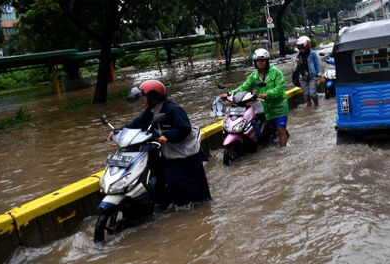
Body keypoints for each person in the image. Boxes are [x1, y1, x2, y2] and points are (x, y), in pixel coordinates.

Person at [119, 79, 211, 208]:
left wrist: (167, 136)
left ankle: (201, 205)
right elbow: (138, 123)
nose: (142, 101)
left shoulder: (173, 109)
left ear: (154, 97)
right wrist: (119, 132)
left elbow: (184, 128)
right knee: (171, 181)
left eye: (144, 97)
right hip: (170, 153)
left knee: (191, 185)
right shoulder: (151, 111)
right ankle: (171, 204)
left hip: (185, 152)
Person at [220, 48, 289, 147]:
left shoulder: (276, 72)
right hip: (265, 107)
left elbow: (280, 88)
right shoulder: (254, 76)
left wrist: (267, 93)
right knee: (250, 119)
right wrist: (229, 94)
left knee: (281, 130)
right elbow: (244, 87)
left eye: (262, 60)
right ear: (255, 63)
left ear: (267, 61)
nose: (260, 63)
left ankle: (283, 152)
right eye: (258, 61)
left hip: (279, 107)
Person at [295, 36, 323, 107]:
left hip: (312, 77)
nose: (301, 50)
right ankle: (309, 109)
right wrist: (298, 63)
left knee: (313, 94)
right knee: (306, 95)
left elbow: (317, 65)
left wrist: (320, 76)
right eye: (299, 48)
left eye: (302, 48)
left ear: (307, 46)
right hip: (302, 77)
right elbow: (296, 68)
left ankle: (316, 106)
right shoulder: (298, 55)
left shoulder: (313, 54)